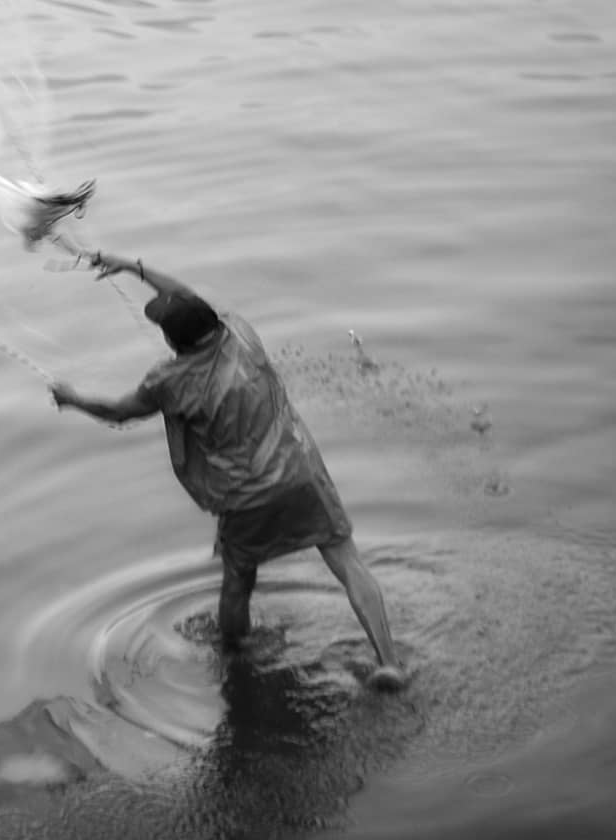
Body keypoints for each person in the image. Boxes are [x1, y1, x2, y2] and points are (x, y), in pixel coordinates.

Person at [50, 250, 408, 692]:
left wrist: (72, 398)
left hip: (245, 497)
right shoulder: (241, 335)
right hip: (300, 473)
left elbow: (119, 412)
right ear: (211, 325)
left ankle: (236, 660)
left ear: (173, 341)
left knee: (239, 580)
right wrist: (130, 266)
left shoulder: (168, 381)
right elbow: (184, 295)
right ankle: (389, 662)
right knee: (347, 560)